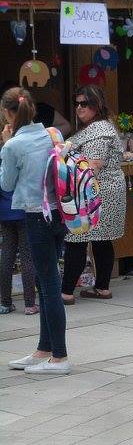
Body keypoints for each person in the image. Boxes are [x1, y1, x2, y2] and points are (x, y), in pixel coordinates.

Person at [1, 88, 70, 375]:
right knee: (47, 281)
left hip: (35, 215)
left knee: (50, 285)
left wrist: (6, 142)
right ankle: (45, 348)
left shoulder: (13, 146)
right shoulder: (53, 134)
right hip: (59, 214)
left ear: (9, 113)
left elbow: (6, 184)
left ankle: (60, 357)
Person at [59, 86, 126, 303]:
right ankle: (102, 288)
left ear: (96, 106)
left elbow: (93, 166)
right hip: (101, 191)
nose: (79, 107)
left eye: (84, 104)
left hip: (93, 194)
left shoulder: (99, 132)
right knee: (101, 241)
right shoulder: (100, 128)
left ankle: (66, 292)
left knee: (77, 238)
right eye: (76, 103)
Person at [0, 111, 36, 316]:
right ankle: (30, 304)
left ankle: (5, 302)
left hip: (5, 214)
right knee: (27, 257)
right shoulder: (22, 152)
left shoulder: (3, 155)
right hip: (24, 211)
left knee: (6, 257)